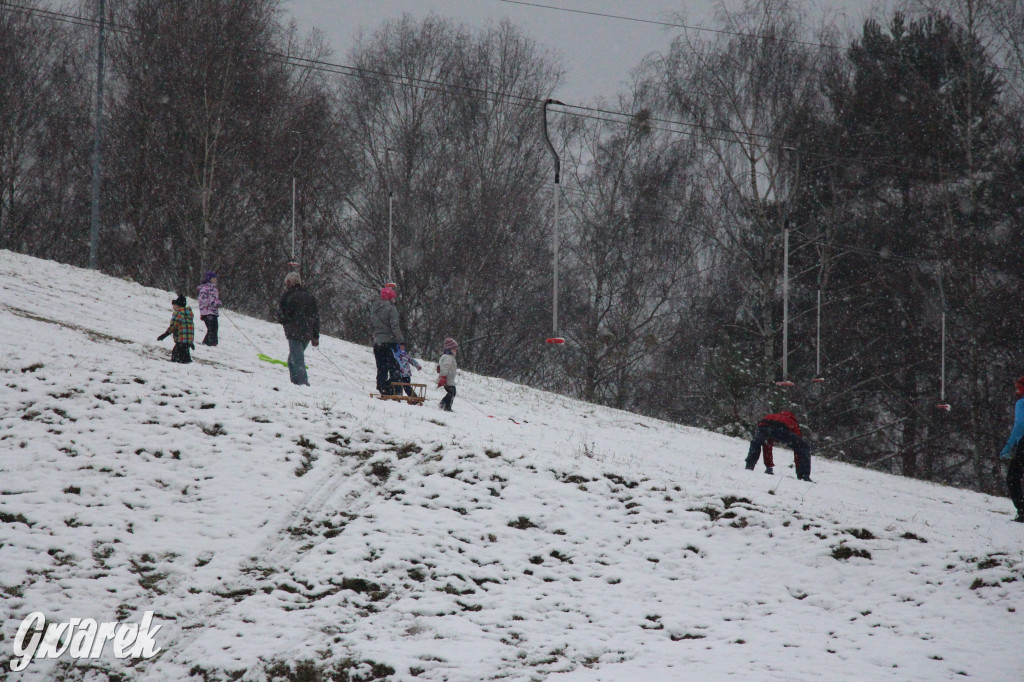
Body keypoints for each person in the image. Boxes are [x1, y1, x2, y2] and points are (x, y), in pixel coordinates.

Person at [276, 272, 319, 386]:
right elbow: (316, 317)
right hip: (307, 333)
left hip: (294, 332)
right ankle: (295, 383)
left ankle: (302, 383)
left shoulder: (288, 296)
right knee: (292, 359)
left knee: (297, 359)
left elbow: (281, 315)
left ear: (289, 283)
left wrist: (286, 321)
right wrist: (315, 335)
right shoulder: (310, 297)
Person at [745, 410, 812, 481]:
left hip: (763, 426)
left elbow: (767, 446)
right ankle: (804, 476)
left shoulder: (772, 416)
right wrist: (799, 468)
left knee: (756, 443)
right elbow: (798, 450)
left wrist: (769, 467)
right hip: (781, 429)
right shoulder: (792, 422)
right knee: (803, 447)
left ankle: (749, 465)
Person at [998, 376, 1024, 523]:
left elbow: (1020, 426)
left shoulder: (1021, 403)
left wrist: (1009, 446)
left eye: (1019, 387)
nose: (1016, 391)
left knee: (1013, 477)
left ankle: (1022, 509)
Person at [371, 285, 404, 395]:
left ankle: (382, 387)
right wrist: (401, 340)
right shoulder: (391, 309)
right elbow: (395, 326)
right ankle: (395, 390)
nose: (395, 300)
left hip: (378, 342)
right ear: (390, 298)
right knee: (395, 367)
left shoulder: (374, 309)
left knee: (381, 367)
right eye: (394, 298)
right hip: (390, 342)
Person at [157, 294, 194, 364]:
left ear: (178, 305)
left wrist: (165, 334)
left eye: (174, 305)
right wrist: (191, 342)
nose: (173, 307)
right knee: (185, 353)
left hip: (181, 339)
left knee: (176, 355)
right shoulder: (189, 313)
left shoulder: (178, 313)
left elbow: (173, 326)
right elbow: (189, 328)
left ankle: (180, 365)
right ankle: (186, 362)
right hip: (188, 340)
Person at [197, 271, 222, 346]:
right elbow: (202, 300)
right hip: (207, 312)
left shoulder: (214, 289)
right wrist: (213, 303)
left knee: (214, 328)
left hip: (213, 312)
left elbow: (214, 299)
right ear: (210, 279)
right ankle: (210, 343)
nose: (215, 279)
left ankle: (209, 343)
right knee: (211, 328)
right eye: (214, 278)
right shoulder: (205, 288)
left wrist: (218, 303)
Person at [437, 337, 458, 412]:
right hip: (447, 378)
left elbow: (440, 365)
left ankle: (443, 403)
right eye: (454, 348)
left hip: (448, 378)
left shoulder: (446, 356)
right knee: (452, 392)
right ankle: (447, 406)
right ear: (449, 348)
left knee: (451, 392)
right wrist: (443, 377)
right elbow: (445, 367)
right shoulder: (448, 357)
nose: (456, 350)